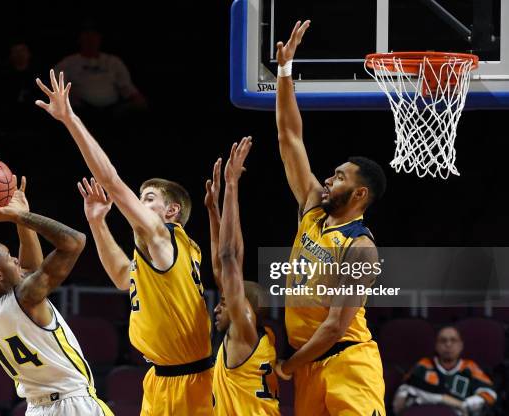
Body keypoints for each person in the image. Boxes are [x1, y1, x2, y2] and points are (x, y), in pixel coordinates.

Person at [37, 70, 212, 415]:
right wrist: (98, 224)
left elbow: (112, 182)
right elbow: (122, 277)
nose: (138, 204)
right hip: (160, 379)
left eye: (147, 198)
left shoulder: (164, 237)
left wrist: (70, 120)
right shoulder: (168, 253)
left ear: (171, 211)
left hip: (190, 383)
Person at [272, 21, 388, 415]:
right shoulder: (312, 210)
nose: (327, 178)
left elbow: (337, 326)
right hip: (311, 366)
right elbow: (290, 138)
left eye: (339, 177)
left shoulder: (361, 248)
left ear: (359, 194)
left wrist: (287, 365)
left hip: (349, 363)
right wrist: (285, 71)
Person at [0, 176, 113, 416]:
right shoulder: (26, 299)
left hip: (36, 409)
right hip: (73, 405)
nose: (15, 260)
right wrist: (19, 217)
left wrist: (22, 218)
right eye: (9, 257)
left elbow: (30, 272)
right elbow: (75, 242)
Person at [206, 137, 280, 415]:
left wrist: (232, 185)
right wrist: (213, 213)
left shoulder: (243, 332)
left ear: (245, 307)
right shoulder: (263, 336)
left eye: (225, 302)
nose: (217, 307)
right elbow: (221, 268)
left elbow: (229, 258)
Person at [393, 326, 497, 415]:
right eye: (443, 340)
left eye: (453, 340)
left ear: (461, 345)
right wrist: (453, 403)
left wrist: (465, 404)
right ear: (436, 345)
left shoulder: (470, 367)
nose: (448, 344)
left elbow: (489, 394)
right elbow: (404, 393)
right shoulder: (424, 365)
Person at [54, 23, 145, 119]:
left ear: (99, 38)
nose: (90, 40)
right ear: (80, 39)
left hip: (112, 111)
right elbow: (55, 85)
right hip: (81, 112)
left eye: (93, 36)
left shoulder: (112, 62)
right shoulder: (68, 63)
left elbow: (126, 86)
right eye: (86, 36)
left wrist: (136, 98)